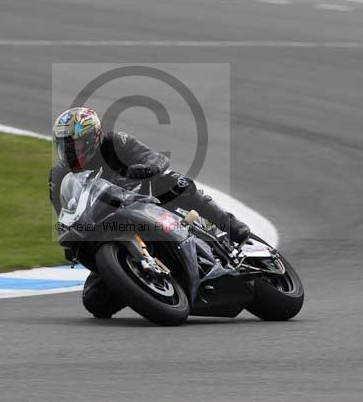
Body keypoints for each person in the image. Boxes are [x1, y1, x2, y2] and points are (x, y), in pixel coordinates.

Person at [48, 106, 249, 318]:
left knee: (175, 181)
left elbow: (156, 159)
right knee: (94, 301)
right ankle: (141, 282)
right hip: (103, 224)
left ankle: (229, 224)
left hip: (143, 200)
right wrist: (70, 237)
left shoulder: (115, 143)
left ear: (93, 138)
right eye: (64, 146)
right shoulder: (59, 174)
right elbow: (63, 211)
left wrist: (149, 168)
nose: (70, 152)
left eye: (75, 145)